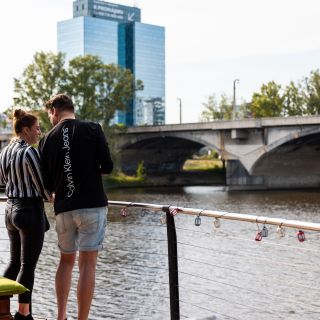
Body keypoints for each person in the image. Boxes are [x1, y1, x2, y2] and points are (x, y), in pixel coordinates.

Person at [39, 93, 113, 320]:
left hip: (64, 207)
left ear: (54, 111)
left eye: (49, 115)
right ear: (71, 108)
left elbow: (47, 184)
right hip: (92, 205)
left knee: (65, 261)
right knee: (88, 264)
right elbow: (108, 166)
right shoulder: (92, 128)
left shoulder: (46, 139)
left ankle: (61, 316)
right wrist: (89, 171)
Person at [0, 109, 51, 320]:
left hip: (10, 210)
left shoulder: (4, 151)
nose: (39, 132)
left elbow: (2, 181)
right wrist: (51, 195)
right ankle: (23, 314)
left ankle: (2, 310)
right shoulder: (29, 151)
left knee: (13, 263)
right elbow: (41, 186)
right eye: (37, 128)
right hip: (29, 210)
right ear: (26, 129)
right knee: (27, 266)